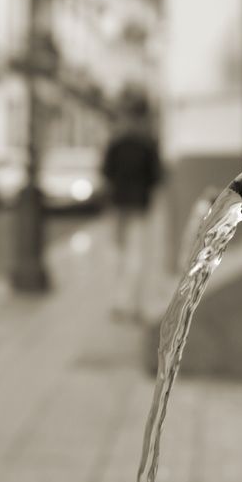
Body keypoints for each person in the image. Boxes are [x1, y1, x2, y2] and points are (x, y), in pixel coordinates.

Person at [101, 91, 162, 323]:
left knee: (118, 253)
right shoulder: (147, 143)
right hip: (139, 205)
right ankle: (133, 304)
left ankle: (118, 302)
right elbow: (156, 177)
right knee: (136, 254)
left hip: (119, 204)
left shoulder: (117, 142)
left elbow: (106, 172)